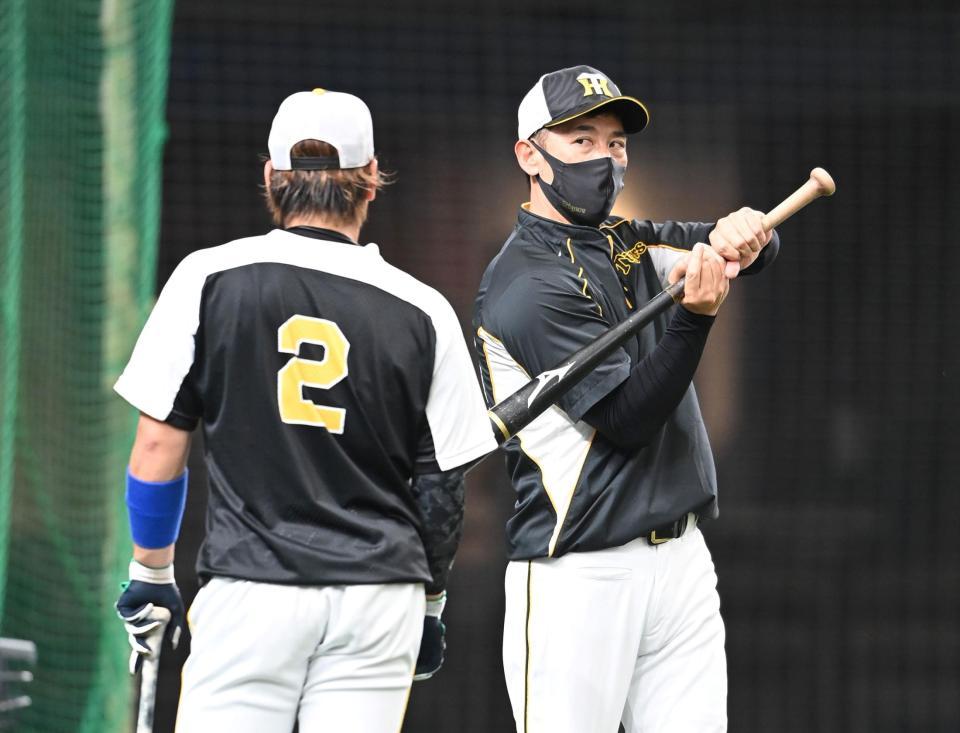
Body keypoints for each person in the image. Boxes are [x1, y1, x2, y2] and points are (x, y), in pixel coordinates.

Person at [113, 88, 497, 731]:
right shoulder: (424, 309)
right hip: (379, 600)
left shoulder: (209, 276)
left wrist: (151, 572)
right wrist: (429, 605)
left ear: (271, 176)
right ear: (371, 178)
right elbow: (442, 491)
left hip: (251, 589)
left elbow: (157, 445)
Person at [473, 65, 780, 733]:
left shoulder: (627, 240)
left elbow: (737, 248)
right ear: (529, 155)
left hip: (681, 561)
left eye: (615, 143)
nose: (605, 158)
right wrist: (695, 319)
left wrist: (748, 236)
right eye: (581, 140)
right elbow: (625, 419)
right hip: (581, 571)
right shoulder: (524, 284)